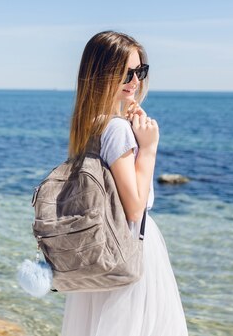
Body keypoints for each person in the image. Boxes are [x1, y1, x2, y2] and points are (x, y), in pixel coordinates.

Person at [61, 31, 188, 336]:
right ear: (101, 75)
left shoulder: (89, 125)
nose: (135, 80)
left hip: (101, 249)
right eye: (126, 73)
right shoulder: (116, 129)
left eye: (140, 71)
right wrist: (149, 148)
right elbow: (135, 208)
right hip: (129, 245)